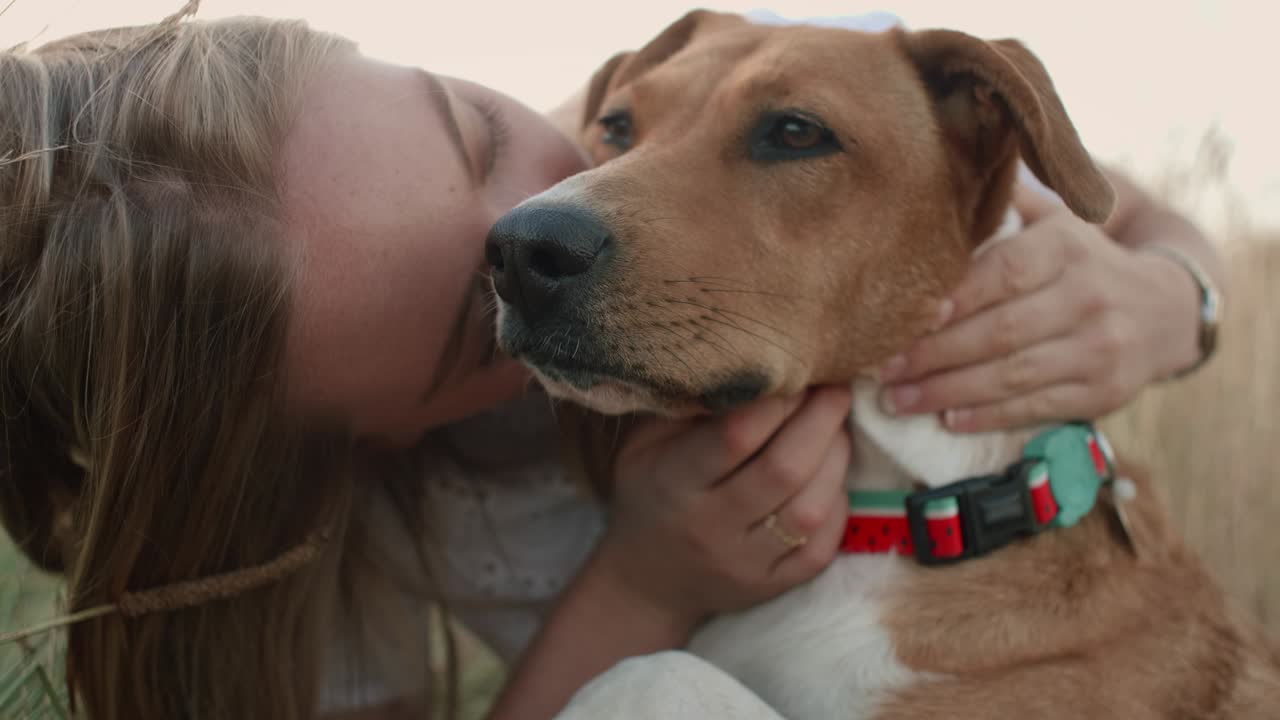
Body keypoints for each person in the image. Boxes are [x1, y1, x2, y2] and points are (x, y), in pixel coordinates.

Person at [0, 7, 1219, 720]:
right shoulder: (351, 549)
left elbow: (1083, 194)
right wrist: (635, 591)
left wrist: (1175, 291)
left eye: (476, 132)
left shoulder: (758, 74)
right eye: (471, 320)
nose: (555, 216)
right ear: (372, 440)